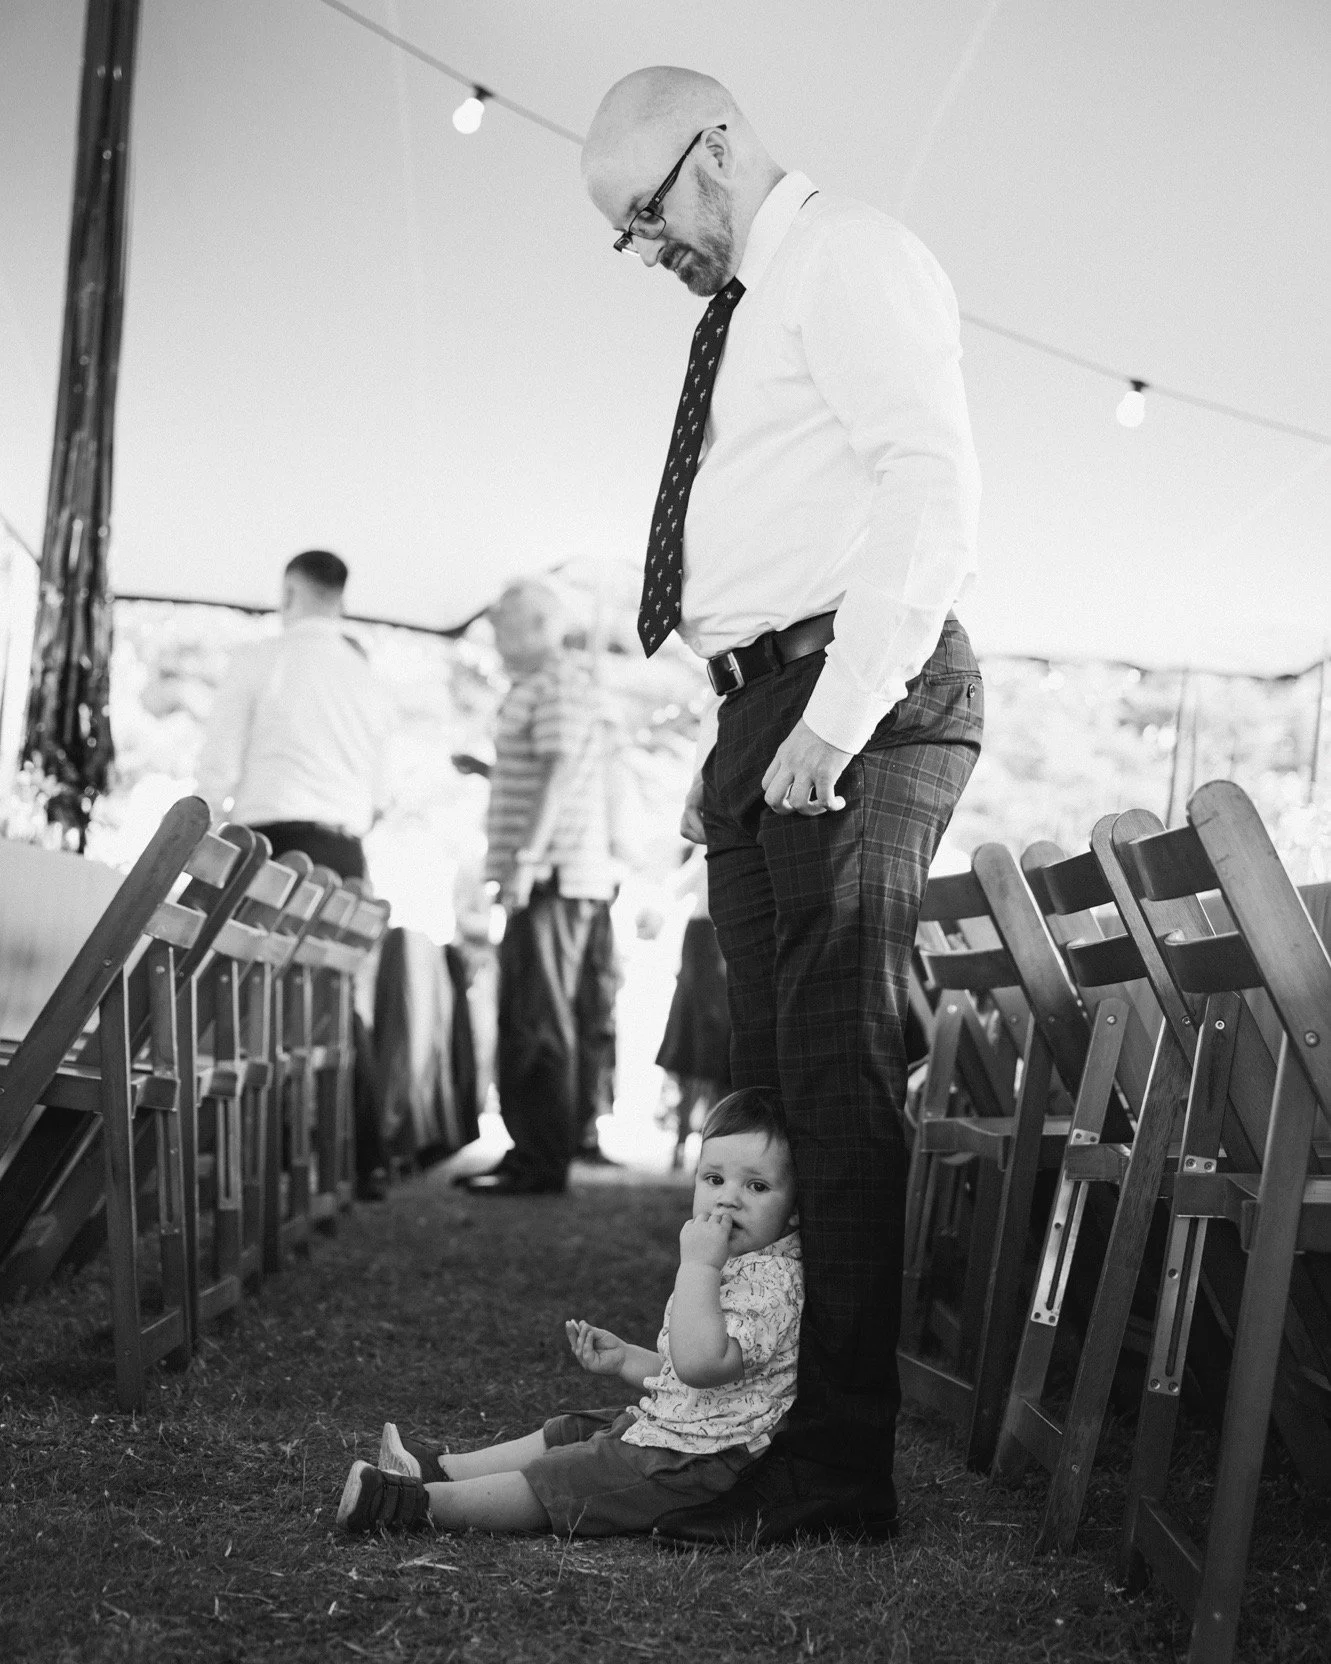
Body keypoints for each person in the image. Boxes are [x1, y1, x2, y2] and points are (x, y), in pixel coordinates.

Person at [580, 68, 985, 1542]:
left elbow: (928, 487)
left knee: (830, 1078)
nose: (646, 250)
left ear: (713, 148)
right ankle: (759, 1416)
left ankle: (836, 1474)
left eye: (643, 216)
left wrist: (829, 713)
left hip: (854, 692)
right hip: (766, 702)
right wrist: (735, 744)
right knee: (765, 1099)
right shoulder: (743, 309)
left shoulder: (848, 254)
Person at [337, 1088, 802, 1536]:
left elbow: (702, 1366)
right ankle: (439, 1469)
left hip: (708, 1462)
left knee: (579, 1474)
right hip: (691, 1433)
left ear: (795, 1208)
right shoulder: (739, 1264)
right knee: (577, 1430)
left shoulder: (771, 1282)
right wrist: (626, 1359)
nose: (728, 1198)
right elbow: (700, 1380)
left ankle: (416, 1505)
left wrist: (698, 1266)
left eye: (756, 1186)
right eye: (714, 1179)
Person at [196, 547, 395, 1196]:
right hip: (345, 853)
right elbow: (383, 794)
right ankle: (364, 1160)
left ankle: (264, 1155)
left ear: (288, 591)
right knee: (335, 1001)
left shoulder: (262, 658)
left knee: (253, 993)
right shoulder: (368, 678)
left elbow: (216, 771)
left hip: (272, 846)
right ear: (340, 597)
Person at [459, 579, 620, 1196]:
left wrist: (526, 858)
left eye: (500, 627)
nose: (495, 641)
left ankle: (541, 1162)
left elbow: (558, 773)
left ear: (535, 626)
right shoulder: (543, 684)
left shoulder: (556, 681)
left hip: (552, 873)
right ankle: (530, 1149)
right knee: (528, 1010)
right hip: (545, 871)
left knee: (538, 1017)